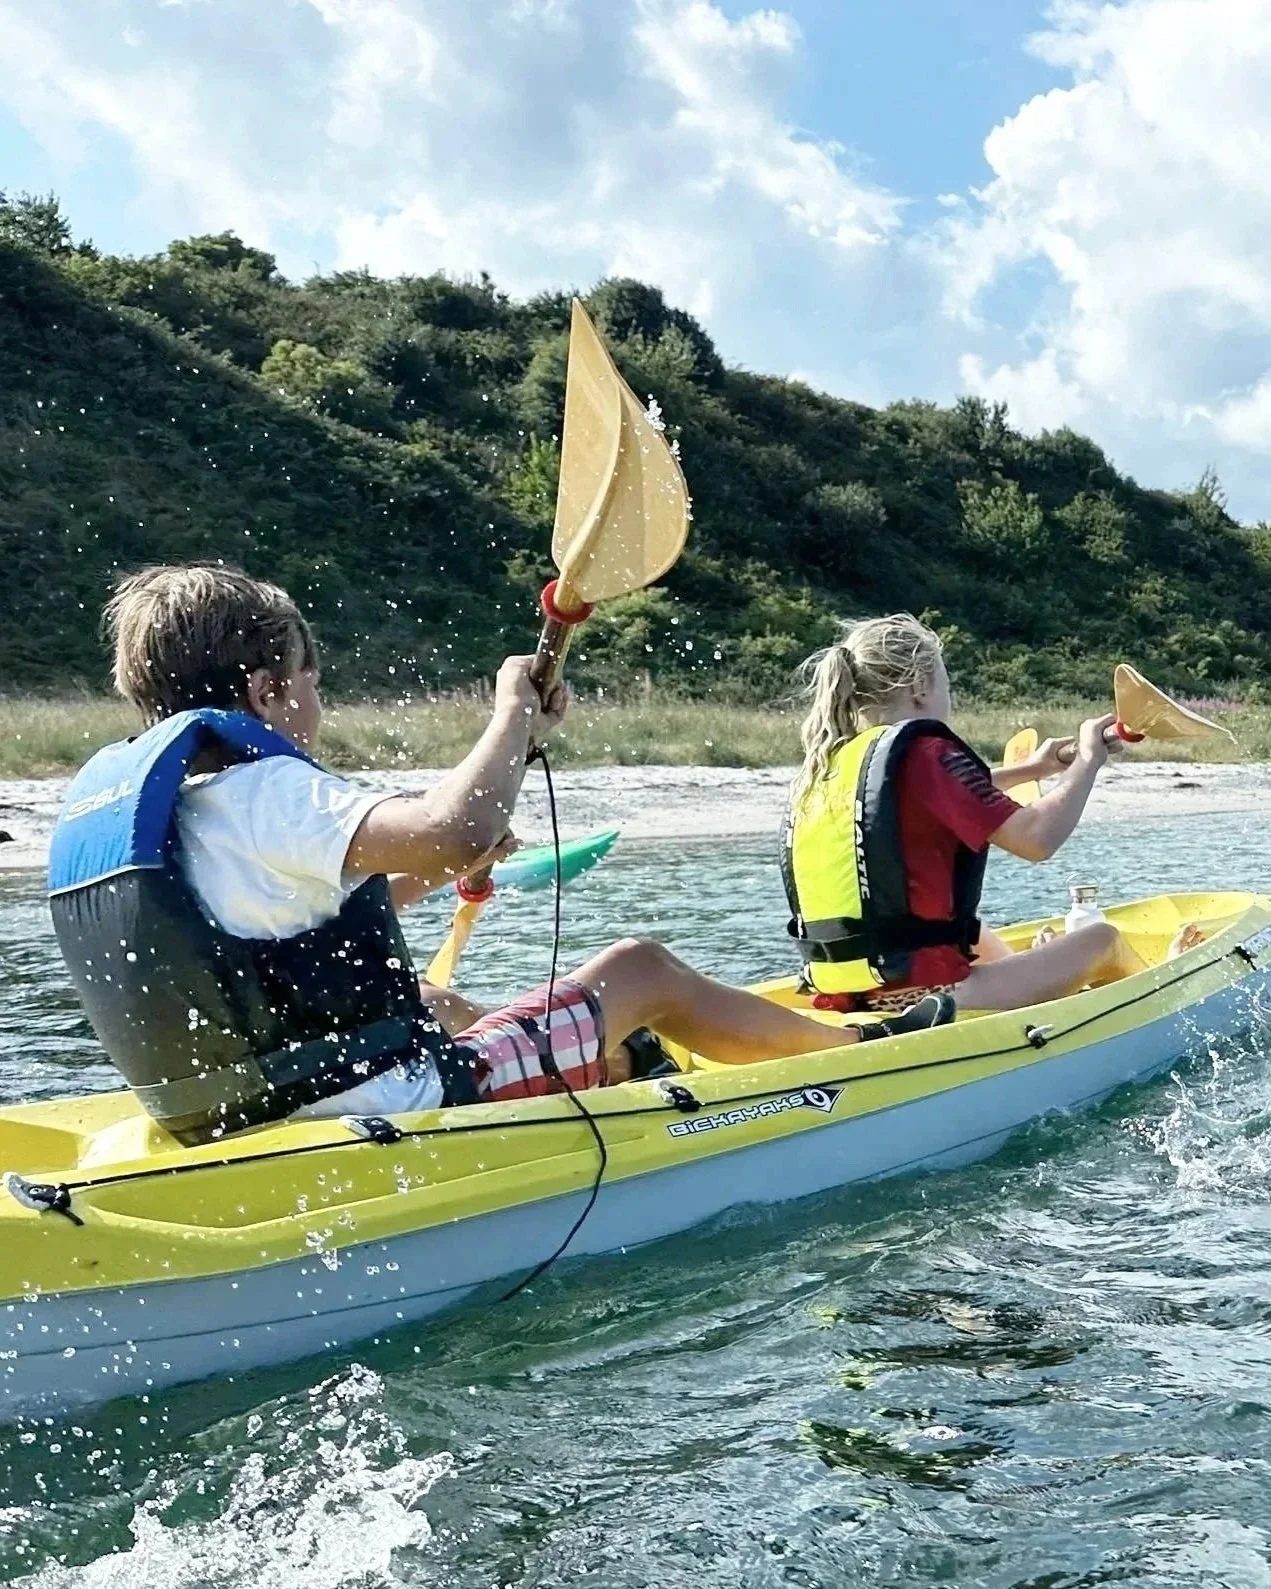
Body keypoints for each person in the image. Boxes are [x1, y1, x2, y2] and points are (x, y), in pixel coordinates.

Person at [48, 566, 956, 1147]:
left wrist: (477, 818)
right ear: (266, 688)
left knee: (438, 996)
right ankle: (855, 1050)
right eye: (312, 682)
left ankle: (609, 1066)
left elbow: (307, 922)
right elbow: (453, 828)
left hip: (238, 1107)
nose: (315, 701)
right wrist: (509, 711)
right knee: (638, 971)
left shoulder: (181, 811)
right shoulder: (266, 788)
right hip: (384, 1104)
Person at [783, 613, 1200, 1014]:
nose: (949, 697)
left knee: (975, 934)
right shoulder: (926, 752)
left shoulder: (828, 764)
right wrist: (1088, 759)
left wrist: (1033, 770)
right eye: (947, 684)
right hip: (930, 995)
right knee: (1103, 941)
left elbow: (928, 802)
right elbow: (1036, 838)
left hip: (853, 993)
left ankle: (1045, 979)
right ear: (920, 688)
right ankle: (1168, 999)